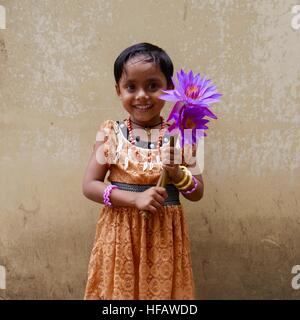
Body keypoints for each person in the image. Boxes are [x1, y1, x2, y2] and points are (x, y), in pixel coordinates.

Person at [82, 43, 204, 300]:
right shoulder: (110, 133)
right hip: (120, 238)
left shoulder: (183, 133)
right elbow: (90, 185)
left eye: (152, 85)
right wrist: (135, 199)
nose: (142, 96)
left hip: (164, 239)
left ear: (170, 89)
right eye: (130, 87)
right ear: (118, 90)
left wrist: (177, 173)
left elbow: (197, 192)